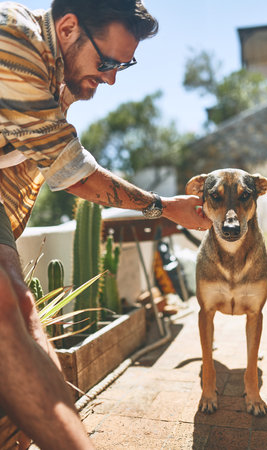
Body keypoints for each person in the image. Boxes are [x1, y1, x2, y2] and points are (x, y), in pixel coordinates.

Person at [0, 0, 211, 448]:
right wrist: (165, 206)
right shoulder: (12, 38)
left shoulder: (58, 81)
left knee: (21, 303)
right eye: (107, 61)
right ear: (69, 27)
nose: (113, 77)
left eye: (124, 64)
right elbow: (72, 171)